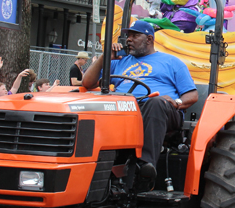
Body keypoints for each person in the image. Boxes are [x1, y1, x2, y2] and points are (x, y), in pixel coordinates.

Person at [81, 20, 197, 186]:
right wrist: (105, 57)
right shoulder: (119, 61)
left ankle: (145, 166)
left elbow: (192, 95)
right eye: (128, 36)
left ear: (149, 39)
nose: (129, 39)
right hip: (125, 109)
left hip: (161, 109)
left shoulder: (172, 62)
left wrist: (177, 102)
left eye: (135, 36)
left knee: (155, 102)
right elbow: (87, 83)